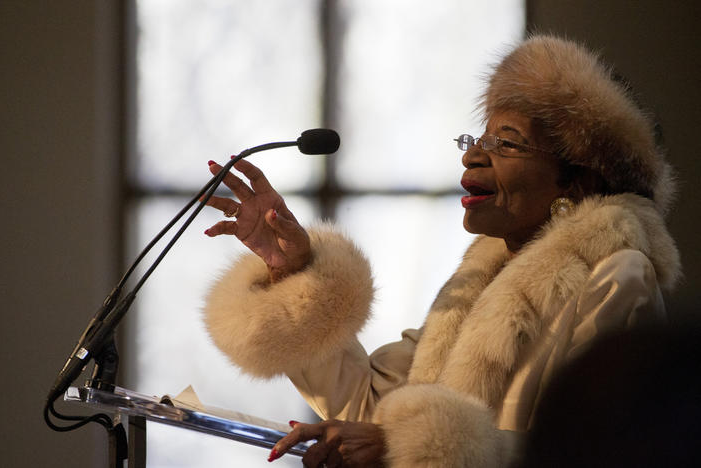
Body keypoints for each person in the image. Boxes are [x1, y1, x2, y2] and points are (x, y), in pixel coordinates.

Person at [201, 35, 680, 467]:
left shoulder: (618, 277)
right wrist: (292, 268)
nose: (472, 155)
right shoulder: (481, 275)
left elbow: (596, 451)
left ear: (579, 179)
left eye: (507, 143)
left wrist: (410, 446)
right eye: (478, 139)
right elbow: (368, 408)